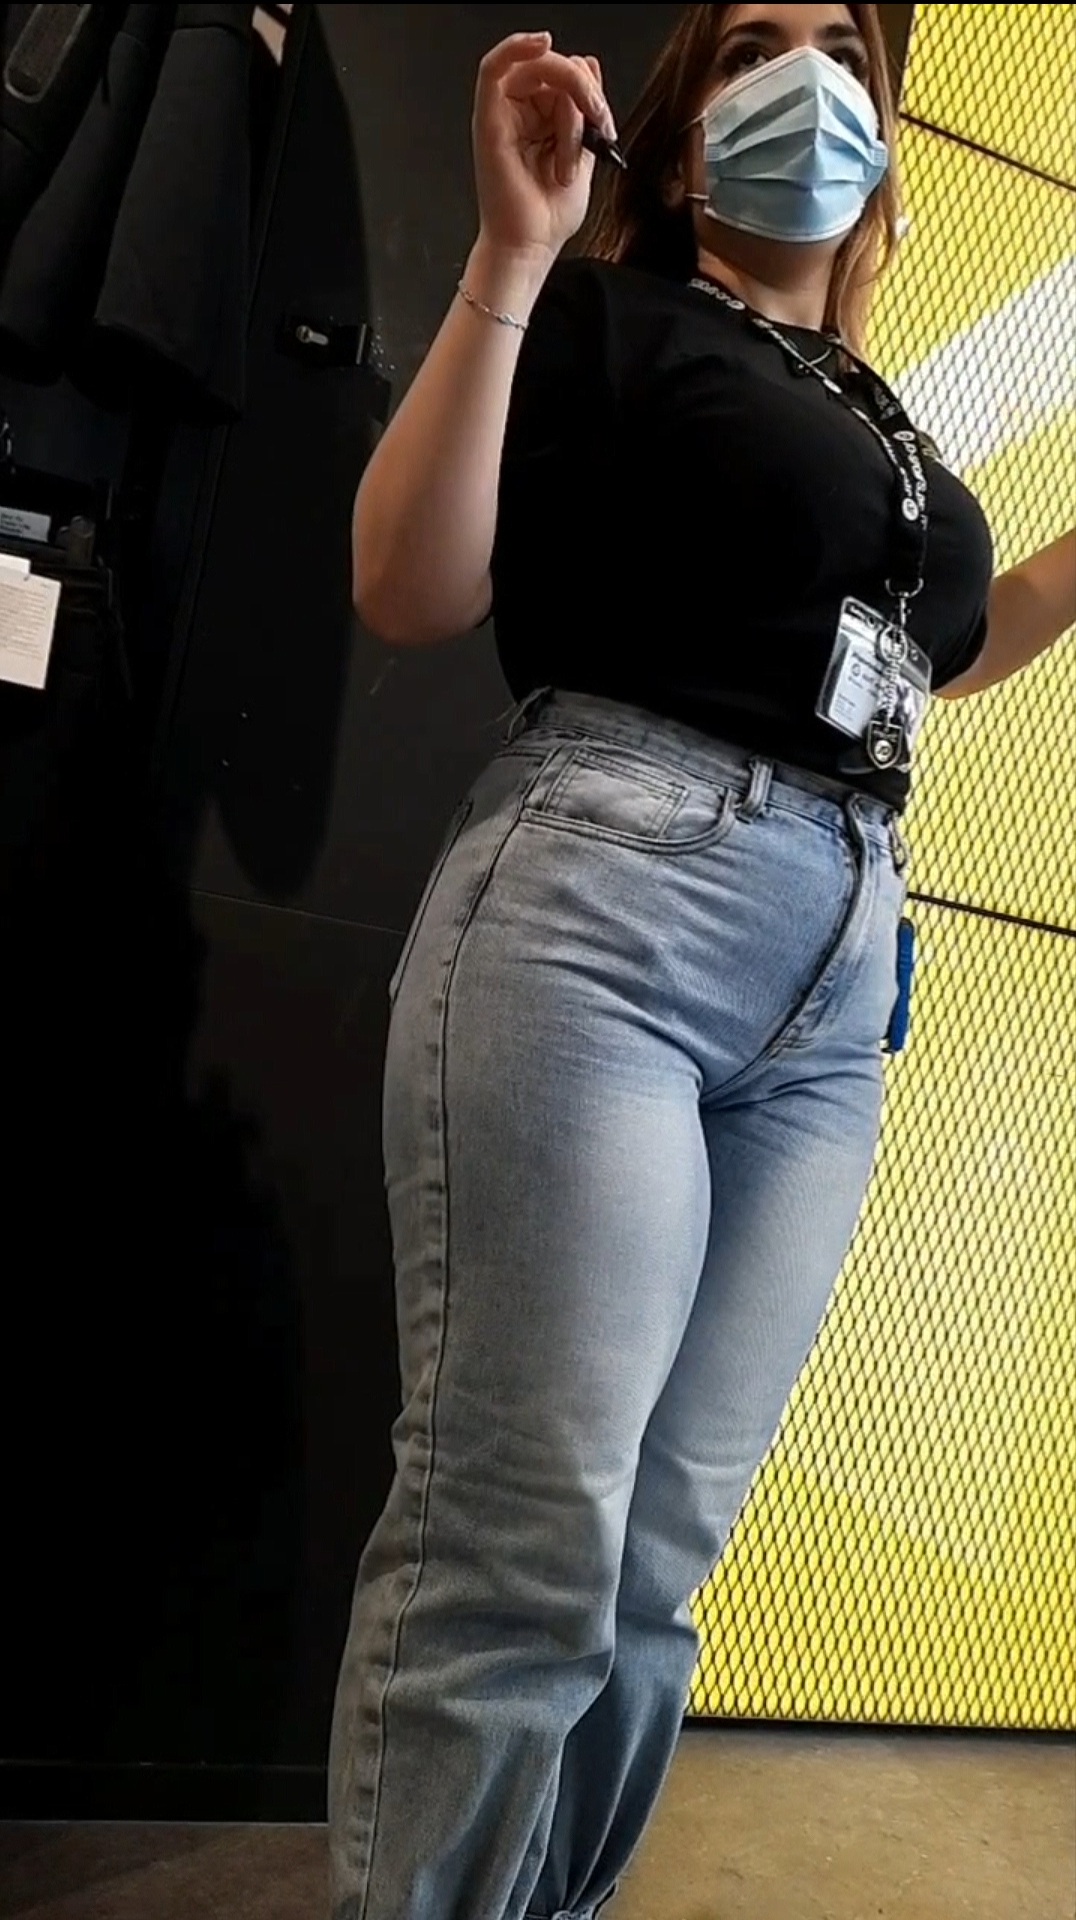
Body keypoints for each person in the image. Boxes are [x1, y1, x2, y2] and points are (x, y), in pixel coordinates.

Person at [327, 7, 1076, 1917]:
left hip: (836, 968)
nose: (807, 73)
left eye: (843, 48)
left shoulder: (885, 424)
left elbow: (947, 652)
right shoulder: (610, 318)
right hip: (611, 911)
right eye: (753, 43)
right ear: (676, 127)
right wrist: (514, 254)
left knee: (661, 1561)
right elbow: (411, 584)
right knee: (525, 1537)